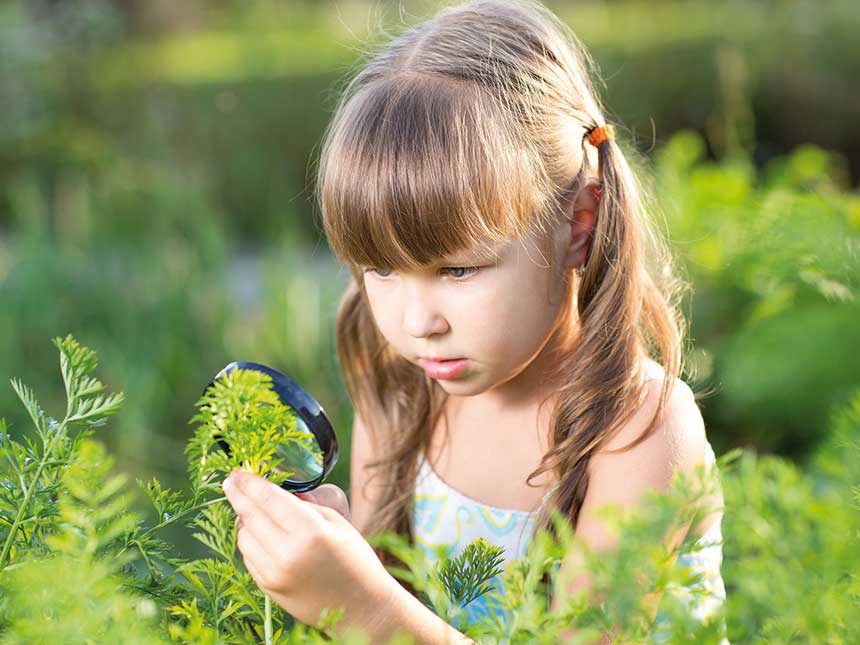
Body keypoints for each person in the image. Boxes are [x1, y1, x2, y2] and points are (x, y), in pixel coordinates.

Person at [220, 0, 728, 642]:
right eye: (382, 270)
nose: (417, 321)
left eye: (457, 271)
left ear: (578, 222)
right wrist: (344, 561)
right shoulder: (403, 391)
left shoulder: (640, 431)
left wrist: (360, 607)